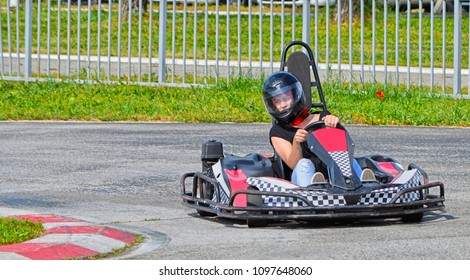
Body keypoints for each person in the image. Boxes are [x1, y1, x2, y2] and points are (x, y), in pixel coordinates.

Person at [262, 71, 367, 187]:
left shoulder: (323, 118)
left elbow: (346, 149)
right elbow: (293, 164)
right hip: (299, 183)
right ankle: (313, 188)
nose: (283, 105)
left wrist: (334, 126)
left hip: (334, 178)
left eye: (286, 98)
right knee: (304, 163)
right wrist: (296, 143)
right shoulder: (278, 132)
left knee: (348, 160)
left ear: (296, 95)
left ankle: (364, 186)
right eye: (277, 101)